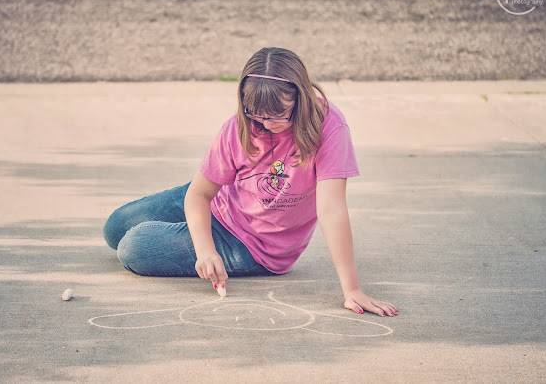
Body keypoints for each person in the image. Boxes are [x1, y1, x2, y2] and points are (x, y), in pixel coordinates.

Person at [103, 47, 398, 317]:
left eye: (278, 116)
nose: (266, 125)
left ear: (301, 98)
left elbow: (331, 210)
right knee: (115, 228)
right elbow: (199, 194)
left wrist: (352, 289)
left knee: (133, 248)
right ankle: (193, 233)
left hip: (253, 245)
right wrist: (205, 251)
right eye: (256, 115)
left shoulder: (329, 127)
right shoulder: (240, 126)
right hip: (222, 203)